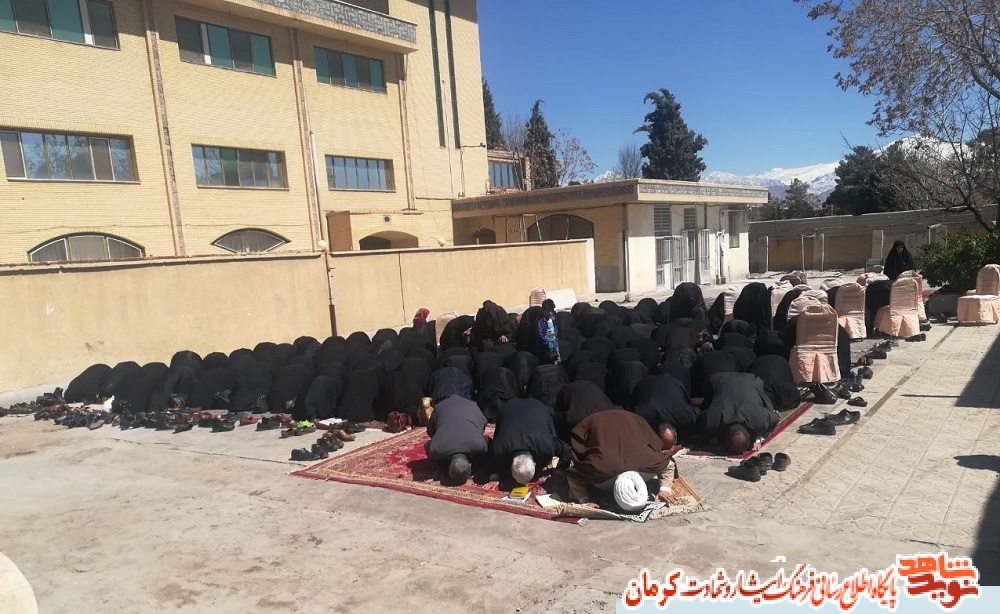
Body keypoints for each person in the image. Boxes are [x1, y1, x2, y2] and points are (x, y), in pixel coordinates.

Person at [565, 410, 676, 505]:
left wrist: (585, 501)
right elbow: (573, 475)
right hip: (622, 419)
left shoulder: (598, 474)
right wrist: (665, 489)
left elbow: (573, 475)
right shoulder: (598, 475)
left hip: (611, 420)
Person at [491, 398, 571, 485]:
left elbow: (567, 451)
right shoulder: (498, 449)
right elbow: (567, 452)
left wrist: (558, 470)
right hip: (508, 407)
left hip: (538, 406)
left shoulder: (545, 444)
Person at [697, 372, 780, 454]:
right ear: (749, 435)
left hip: (746, 380)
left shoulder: (759, 419)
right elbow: (700, 421)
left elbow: (776, 417)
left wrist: (759, 439)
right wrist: (714, 440)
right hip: (722, 381)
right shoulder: (712, 422)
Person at [425, 395, 489, 484]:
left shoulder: (479, 445)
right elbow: (484, 424)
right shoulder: (436, 449)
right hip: (468, 407)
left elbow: (429, 432)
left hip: (449, 408)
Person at [536, 299, 561, 364]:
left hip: (554, 342)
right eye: (548, 311)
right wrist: (547, 343)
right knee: (549, 359)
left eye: (551, 311)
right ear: (543, 311)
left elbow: (555, 329)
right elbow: (541, 334)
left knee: (557, 358)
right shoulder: (541, 322)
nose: (550, 313)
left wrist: (556, 338)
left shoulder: (553, 319)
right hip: (546, 345)